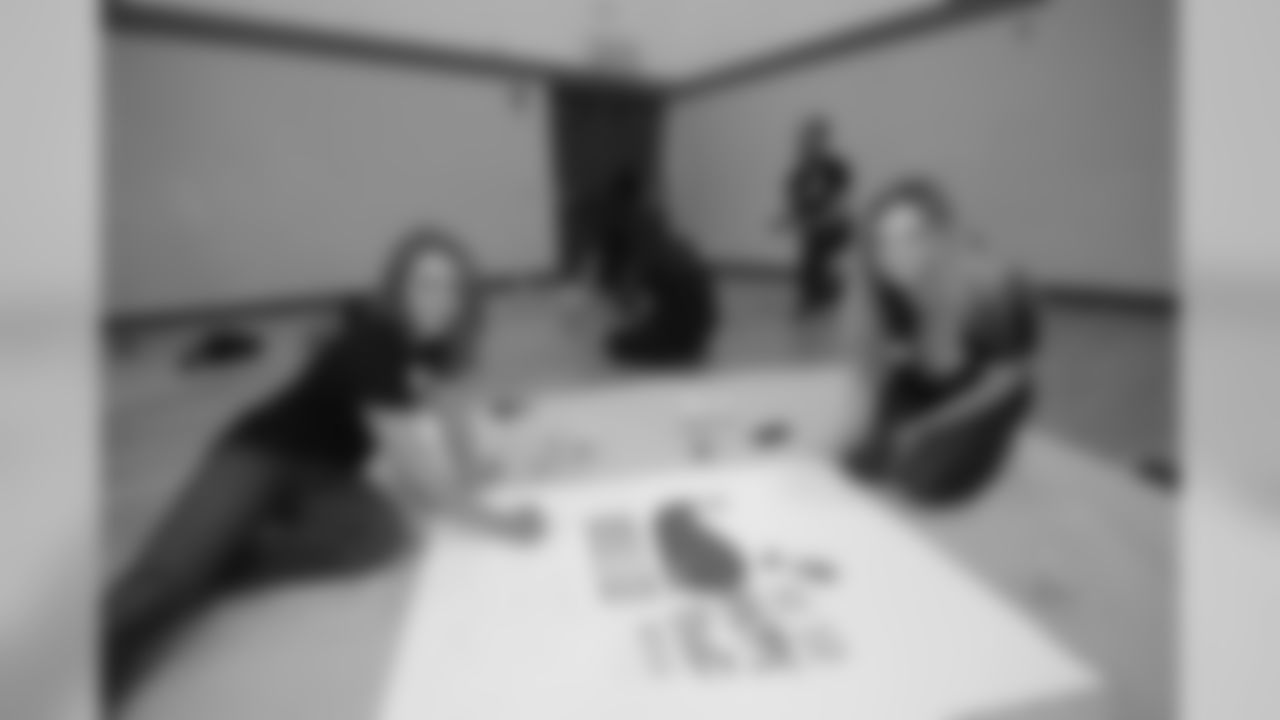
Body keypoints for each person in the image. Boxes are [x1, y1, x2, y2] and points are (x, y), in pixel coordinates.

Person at [105, 227, 542, 708]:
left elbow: (451, 408)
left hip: (327, 473)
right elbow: (417, 477)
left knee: (383, 537)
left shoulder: (432, 344)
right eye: (426, 283)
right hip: (263, 451)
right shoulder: (374, 342)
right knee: (164, 580)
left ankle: (222, 558)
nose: (440, 299)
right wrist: (497, 523)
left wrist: (473, 466)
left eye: (452, 287)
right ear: (399, 287)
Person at [841, 177, 1040, 507]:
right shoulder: (888, 290)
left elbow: (1006, 381)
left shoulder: (993, 288)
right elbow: (882, 364)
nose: (898, 255)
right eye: (883, 242)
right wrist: (871, 423)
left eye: (913, 237)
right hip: (930, 381)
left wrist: (926, 426)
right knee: (862, 465)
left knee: (921, 486)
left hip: (985, 394)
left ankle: (982, 444)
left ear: (941, 235)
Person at [605, 200, 719, 369]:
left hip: (678, 340)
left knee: (616, 343)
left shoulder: (650, 258)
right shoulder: (680, 247)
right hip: (698, 336)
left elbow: (630, 304)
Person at [779, 116, 855, 318]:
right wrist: (789, 218)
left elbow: (841, 201)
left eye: (815, 139)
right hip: (814, 228)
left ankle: (825, 295)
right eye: (807, 139)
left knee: (818, 260)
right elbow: (797, 204)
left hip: (836, 226)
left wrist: (828, 216)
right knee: (811, 262)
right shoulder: (799, 174)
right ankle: (816, 298)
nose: (810, 144)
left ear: (823, 141)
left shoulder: (834, 168)